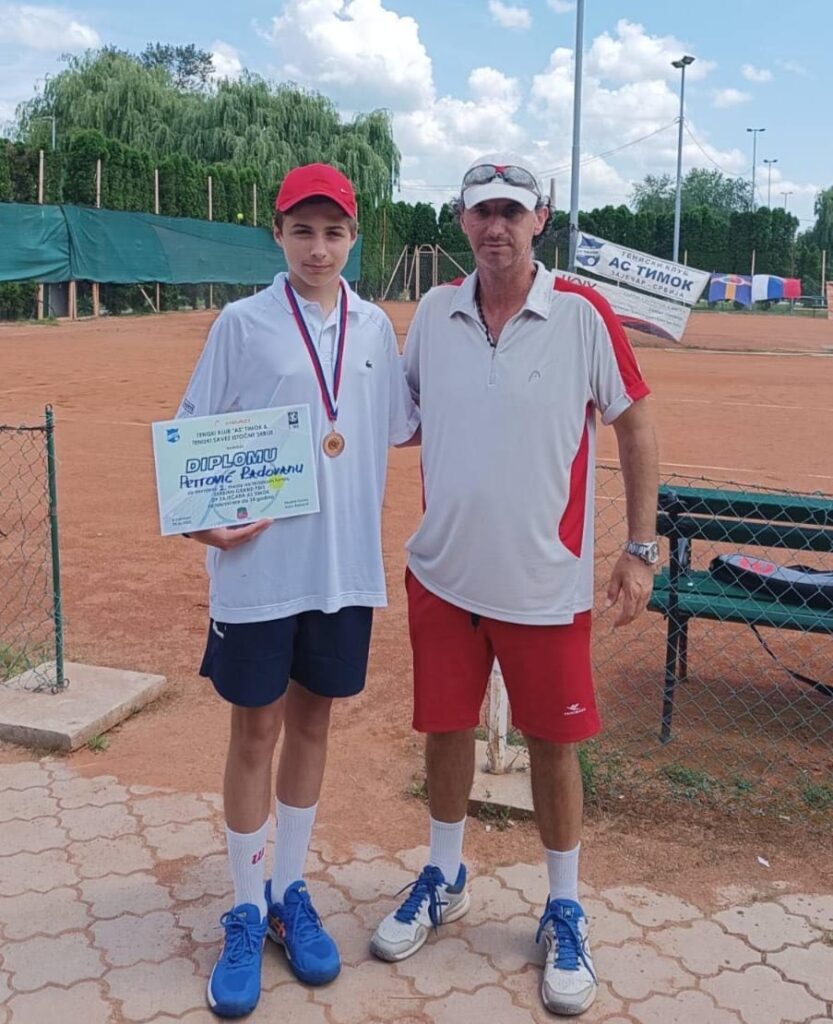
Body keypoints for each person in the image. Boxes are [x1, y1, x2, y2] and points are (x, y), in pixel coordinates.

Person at [370, 153, 659, 1017]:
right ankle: (443, 874)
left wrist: (639, 548)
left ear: (540, 219)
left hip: (544, 583)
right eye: (480, 211)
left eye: (511, 211)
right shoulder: (433, 312)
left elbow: (636, 425)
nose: (495, 226)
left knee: (553, 745)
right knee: (444, 729)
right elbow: (400, 417)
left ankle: (563, 906)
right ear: (461, 221)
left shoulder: (581, 313)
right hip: (443, 575)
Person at [176, 163, 419, 1019]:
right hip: (258, 571)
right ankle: (245, 911)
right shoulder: (241, 325)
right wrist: (202, 525)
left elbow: (401, 425)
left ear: (354, 238)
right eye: (303, 230)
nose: (319, 247)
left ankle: (287, 892)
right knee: (255, 731)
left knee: (313, 724)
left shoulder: (375, 327)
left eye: (334, 232)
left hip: (340, 569)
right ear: (277, 233)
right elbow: (193, 436)